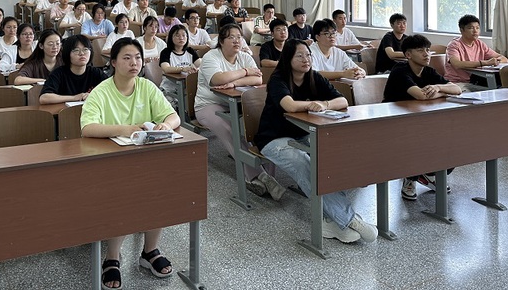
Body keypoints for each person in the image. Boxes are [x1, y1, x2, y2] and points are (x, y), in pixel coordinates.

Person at [255, 39, 378, 244]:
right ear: (288, 58)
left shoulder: (314, 76)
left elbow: (342, 100)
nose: (306, 59)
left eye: (308, 55)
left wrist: (325, 104)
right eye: (299, 56)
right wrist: (312, 104)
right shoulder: (278, 79)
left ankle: (329, 221)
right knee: (303, 162)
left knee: (331, 157)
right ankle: (350, 220)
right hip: (273, 139)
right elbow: (290, 106)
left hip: (304, 133)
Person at [81, 38, 181, 290]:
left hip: (144, 161)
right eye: (126, 58)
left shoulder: (147, 87)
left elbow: (173, 116)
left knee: (160, 190)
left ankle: (150, 251)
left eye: (137, 57)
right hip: (110, 163)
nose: (134, 62)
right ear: (113, 62)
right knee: (124, 196)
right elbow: (88, 128)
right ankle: (112, 256)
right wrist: (125, 129)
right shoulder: (101, 91)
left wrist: (165, 125)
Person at [195, 23, 285, 200]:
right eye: (231, 37)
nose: (237, 40)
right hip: (209, 105)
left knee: (265, 125)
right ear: (221, 41)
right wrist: (245, 72)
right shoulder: (211, 56)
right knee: (230, 129)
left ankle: (267, 176)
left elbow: (257, 79)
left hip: (238, 105)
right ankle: (258, 176)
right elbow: (217, 79)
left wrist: (235, 82)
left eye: (239, 37)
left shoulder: (244, 56)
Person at [383, 34, 461, 200]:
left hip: (420, 119)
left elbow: (457, 89)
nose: (427, 54)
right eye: (420, 51)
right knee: (418, 141)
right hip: (394, 121)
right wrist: (443, 92)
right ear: (408, 54)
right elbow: (421, 96)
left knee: (453, 141)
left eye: (427, 50)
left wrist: (438, 87)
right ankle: (410, 178)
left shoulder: (429, 71)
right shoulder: (399, 71)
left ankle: (428, 174)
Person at [444, 14, 508, 90]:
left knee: (500, 90)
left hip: (476, 81)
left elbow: (504, 59)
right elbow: (457, 64)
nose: (475, 31)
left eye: (477, 28)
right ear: (461, 30)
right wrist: (485, 63)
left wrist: (496, 61)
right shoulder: (454, 45)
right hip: (457, 83)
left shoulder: (479, 43)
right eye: (471, 28)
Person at [39, 34, 107, 104]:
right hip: (65, 110)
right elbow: (44, 98)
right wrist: (75, 97)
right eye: (76, 50)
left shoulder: (96, 73)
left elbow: (111, 89)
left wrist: (94, 95)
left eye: (85, 49)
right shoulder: (58, 73)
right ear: (67, 53)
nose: (82, 53)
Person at [159, 25, 201, 97]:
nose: (181, 38)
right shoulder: (166, 52)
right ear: (171, 37)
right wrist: (183, 69)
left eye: (184, 35)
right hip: (169, 90)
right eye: (177, 35)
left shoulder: (190, 51)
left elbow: (200, 64)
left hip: (187, 89)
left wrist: (196, 69)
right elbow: (166, 69)